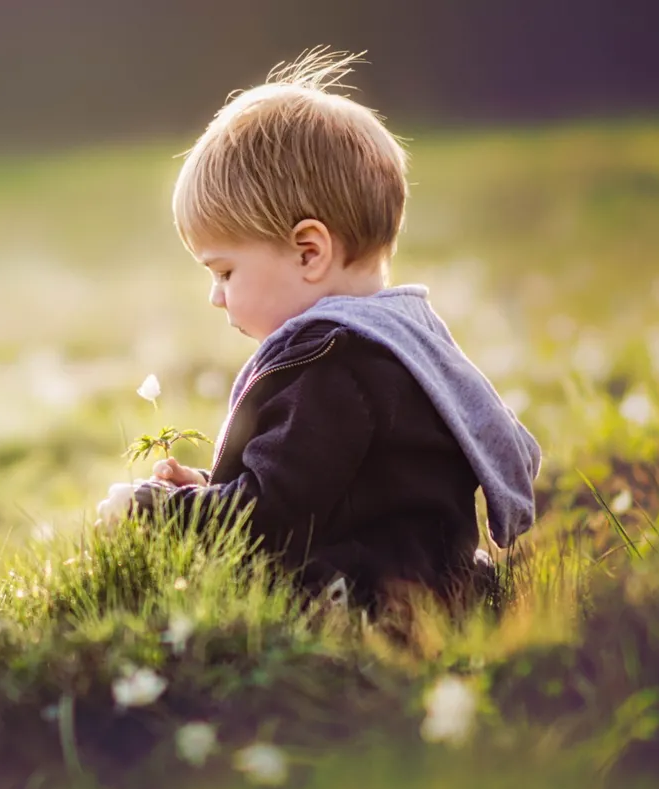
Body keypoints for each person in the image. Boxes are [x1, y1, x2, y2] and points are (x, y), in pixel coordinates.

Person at [128, 49, 541, 611]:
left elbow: (266, 520)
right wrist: (207, 491)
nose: (215, 295)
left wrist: (159, 511)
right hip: (431, 583)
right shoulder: (402, 340)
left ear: (309, 252)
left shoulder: (330, 366)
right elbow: (323, 496)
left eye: (224, 271)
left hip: (365, 599)